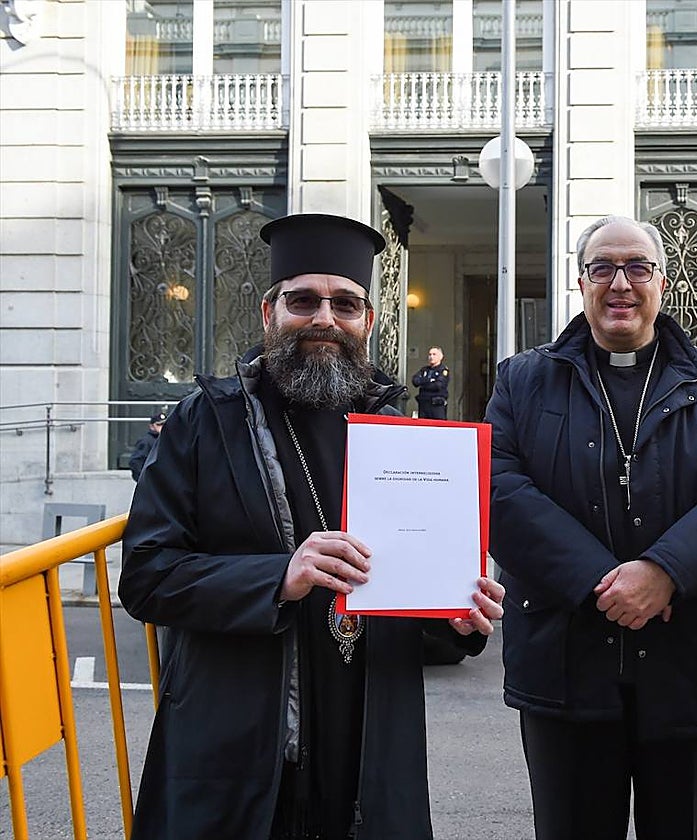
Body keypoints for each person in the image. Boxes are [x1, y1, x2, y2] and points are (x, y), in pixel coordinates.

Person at [119, 213, 504, 840]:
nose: (325, 318)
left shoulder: (404, 436)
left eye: (345, 303)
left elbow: (414, 619)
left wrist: (454, 617)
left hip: (368, 748)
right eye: (304, 300)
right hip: (242, 747)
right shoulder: (204, 422)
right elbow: (145, 577)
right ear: (270, 312)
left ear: (367, 322)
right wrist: (279, 577)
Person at [486, 215, 697, 839]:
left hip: (694, 667)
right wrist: (605, 580)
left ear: (662, 281)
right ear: (581, 282)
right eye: (604, 268)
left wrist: (664, 572)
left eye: (637, 268)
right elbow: (497, 487)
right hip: (567, 663)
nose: (620, 283)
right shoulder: (523, 379)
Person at [412, 346, 450, 419]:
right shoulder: (424, 370)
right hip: (424, 405)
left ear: (441, 357)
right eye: (430, 354)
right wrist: (429, 380)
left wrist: (423, 383)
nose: (431, 357)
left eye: (434, 354)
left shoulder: (443, 370)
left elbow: (438, 385)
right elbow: (415, 381)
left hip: (436, 406)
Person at [128, 409, 166, 481]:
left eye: (164, 424)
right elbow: (136, 462)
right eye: (159, 425)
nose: (162, 427)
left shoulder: (168, 438)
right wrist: (143, 480)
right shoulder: (146, 441)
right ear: (152, 426)